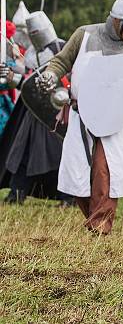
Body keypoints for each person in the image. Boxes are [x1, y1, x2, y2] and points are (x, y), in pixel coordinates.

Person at [35, 0, 123, 234]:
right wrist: (50, 74)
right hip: (81, 114)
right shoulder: (85, 35)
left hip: (114, 120)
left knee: (104, 170)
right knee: (79, 173)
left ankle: (100, 224)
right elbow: (61, 61)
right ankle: (93, 218)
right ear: (116, 21)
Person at [0, 11, 66, 204]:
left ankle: (68, 196)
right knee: (22, 151)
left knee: (60, 155)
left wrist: (17, 78)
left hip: (56, 112)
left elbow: (62, 80)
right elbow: (29, 84)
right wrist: (11, 75)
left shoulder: (62, 49)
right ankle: (16, 192)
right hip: (32, 111)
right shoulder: (31, 53)